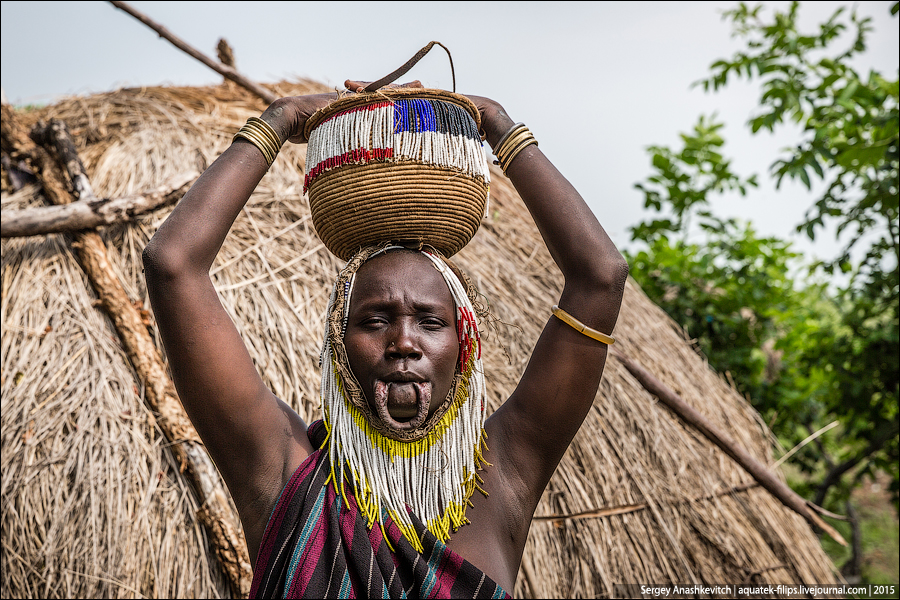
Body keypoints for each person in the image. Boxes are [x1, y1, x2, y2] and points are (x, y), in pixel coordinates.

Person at [142, 79, 628, 598]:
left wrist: (495, 123)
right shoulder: (281, 467)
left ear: (465, 346)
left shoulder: (504, 472)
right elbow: (172, 265)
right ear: (339, 347)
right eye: (375, 321)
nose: (403, 342)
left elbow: (601, 275)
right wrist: (280, 120)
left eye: (431, 322)